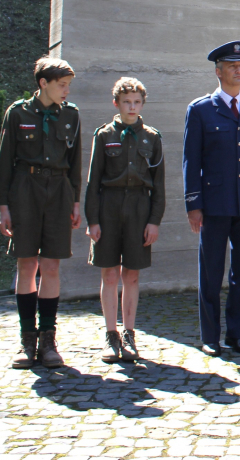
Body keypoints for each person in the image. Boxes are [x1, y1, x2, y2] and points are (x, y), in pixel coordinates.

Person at [0, 56, 82, 369]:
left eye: (68, 85)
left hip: (58, 191)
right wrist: (3, 205)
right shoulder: (18, 113)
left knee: (52, 265)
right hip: (25, 190)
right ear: (43, 83)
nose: (66, 91)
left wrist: (75, 201)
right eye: (62, 85)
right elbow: (4, 163)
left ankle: (48, 340)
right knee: (27, 263)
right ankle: (27, 339)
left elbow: (75, 162)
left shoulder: (71, 115)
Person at [183, 41, 240, 356]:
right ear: (218, 71)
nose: (238, 70)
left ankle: (237, 335)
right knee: (211, 272)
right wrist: (194, 204)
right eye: (232, 66)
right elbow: (191, 161)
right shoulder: (201, 110)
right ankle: (210, 337)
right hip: (215, 204)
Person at [84, 77, 166, 363]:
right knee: (109, 273)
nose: (132, 107)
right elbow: (93, 181)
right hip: (109, 207)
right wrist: (92, 220)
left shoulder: (152, 137)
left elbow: (159, 184)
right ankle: (111, 335)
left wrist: (154, 220)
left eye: (137, 102)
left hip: (139, 209)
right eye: (126, 102)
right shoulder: (104, 135)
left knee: (131, 274)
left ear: (142, 104)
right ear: (116, 104)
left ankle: (129, 333)